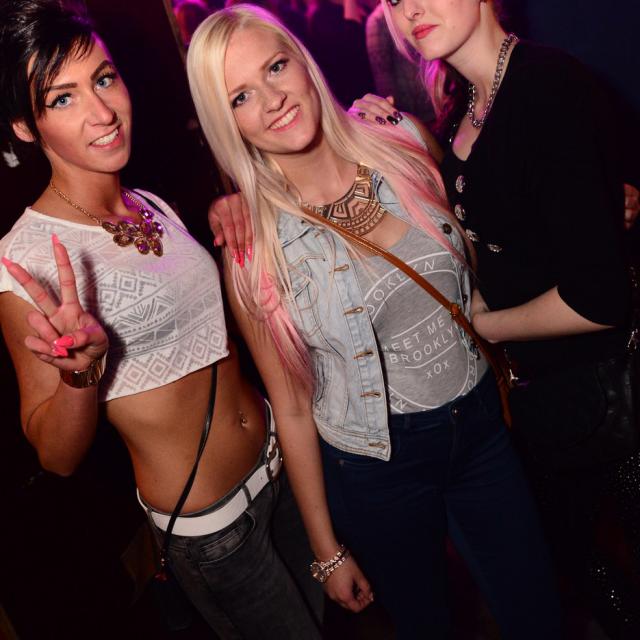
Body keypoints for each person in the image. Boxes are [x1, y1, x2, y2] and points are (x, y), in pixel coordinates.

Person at [188, 5, 562, 638]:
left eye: (276, 67)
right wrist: (326, 549)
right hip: (377, 465)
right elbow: (293, 407)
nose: (273, 100)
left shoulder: (402, 140)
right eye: (241, 97)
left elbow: (488, 238)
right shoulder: (255, 248)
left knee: (536, 612)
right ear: (228, 123)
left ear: (304, 63)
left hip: (479, 424)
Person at [0, 2, 321, 638]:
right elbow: (56, 456)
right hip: (215, 530)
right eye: (62, 99)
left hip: (281, 466)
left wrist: (227, 216)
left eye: (103, 78)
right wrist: (79, 374)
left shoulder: (148, 201)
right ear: (26, 128)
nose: (102, 112)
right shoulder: (24, 262)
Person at [351, 0, 640, 635]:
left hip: (613, 387)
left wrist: (483, 324)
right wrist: (402, 133)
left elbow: (598, 300)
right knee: (571, 564)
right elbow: (487, 203)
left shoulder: (548, 85)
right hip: (555, 397)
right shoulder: (467, 106)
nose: (409, 9)